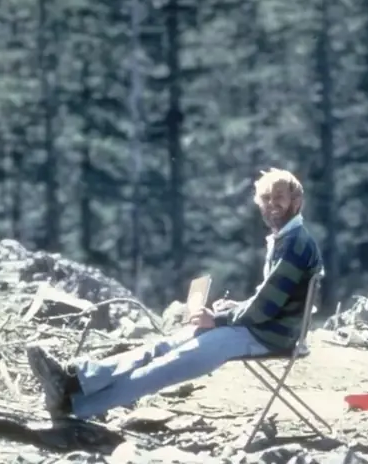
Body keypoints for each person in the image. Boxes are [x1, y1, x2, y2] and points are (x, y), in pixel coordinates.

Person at [26, 168, 324, 419]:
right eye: (266, 199)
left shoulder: (296, 243)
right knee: (161, 348)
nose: (271, 205)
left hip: (270, 335)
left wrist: (218, 319)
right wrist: (234, 307)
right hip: (263, 328)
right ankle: (74, 379)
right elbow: (269, 297)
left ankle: (74, 405)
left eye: (279, 198)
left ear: (297, 202)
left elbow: (266, 306)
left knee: (170, 364)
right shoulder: (286, 238)